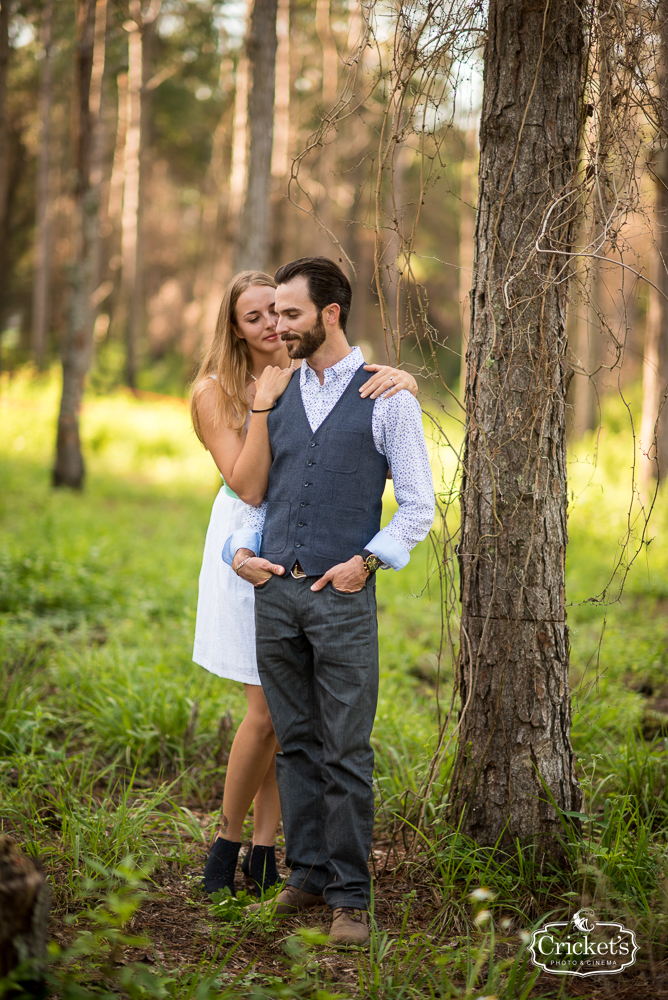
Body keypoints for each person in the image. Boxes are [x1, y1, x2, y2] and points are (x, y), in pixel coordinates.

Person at [224, 257, 435, 945]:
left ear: (330, 314)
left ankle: (351, 896)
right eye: (273, 314)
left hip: (342, 597)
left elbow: (417, 508)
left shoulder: (388, 398)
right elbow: (254, 497)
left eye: (289, 313)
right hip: (274, 595)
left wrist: (365, 563)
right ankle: (307, 875)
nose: (276, 326)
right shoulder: (275, 392)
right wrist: (240, 555)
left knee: (346, 749)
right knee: (297, 745)